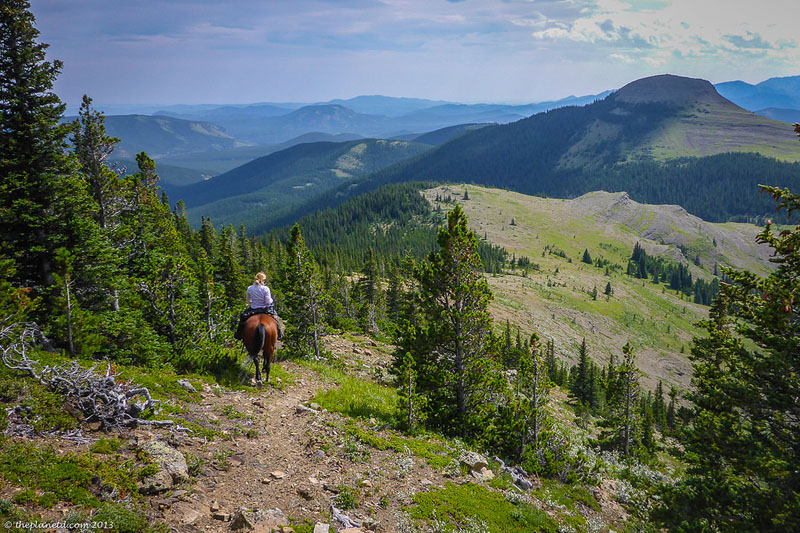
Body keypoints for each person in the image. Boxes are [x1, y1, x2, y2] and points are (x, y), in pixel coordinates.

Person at [234, 272, 283, 340]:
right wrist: (271, 300)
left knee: (242, 317)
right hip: (265, 309)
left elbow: (248, 300)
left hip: (253, 308)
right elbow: (268, 301)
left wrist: (254, 301)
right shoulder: (265, 289)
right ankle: (280, 334)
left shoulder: (250, 288)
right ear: (263, 280)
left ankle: (238, 334)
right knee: (276, 318)